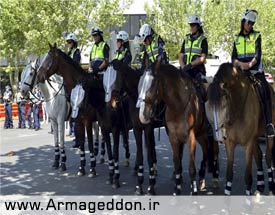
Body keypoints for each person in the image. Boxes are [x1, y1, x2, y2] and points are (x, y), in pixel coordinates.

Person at [232, 9, 274, 137]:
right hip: (241, 73)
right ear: (243, 22)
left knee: (265, 90)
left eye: (252, 23)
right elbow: (233, 57)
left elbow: (257, 55)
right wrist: (240, 65)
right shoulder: (237, 38)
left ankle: (268, 124)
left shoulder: (257, 36)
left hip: (255, 72)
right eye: (248, 22)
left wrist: (249, 65)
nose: (250, 25)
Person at [179, 14, 208, 102]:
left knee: (202, 93)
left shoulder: (203, 40)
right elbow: (180, 56)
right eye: (190, 25)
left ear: (198, 26)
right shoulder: (186, 39)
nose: (191, 27)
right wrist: (184, 67)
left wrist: (190, 65)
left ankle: (204, 112)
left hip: (197, 71)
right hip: (185, 70)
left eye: (193, 25)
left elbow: (203, 58)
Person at [66, 33, 81, 147]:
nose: (68, 44)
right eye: (67, 42)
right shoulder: (68, 53)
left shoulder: (76, 52)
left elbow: (74, 65)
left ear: (74, 43)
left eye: (70, 42)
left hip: (75, 80)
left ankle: (79, 138)